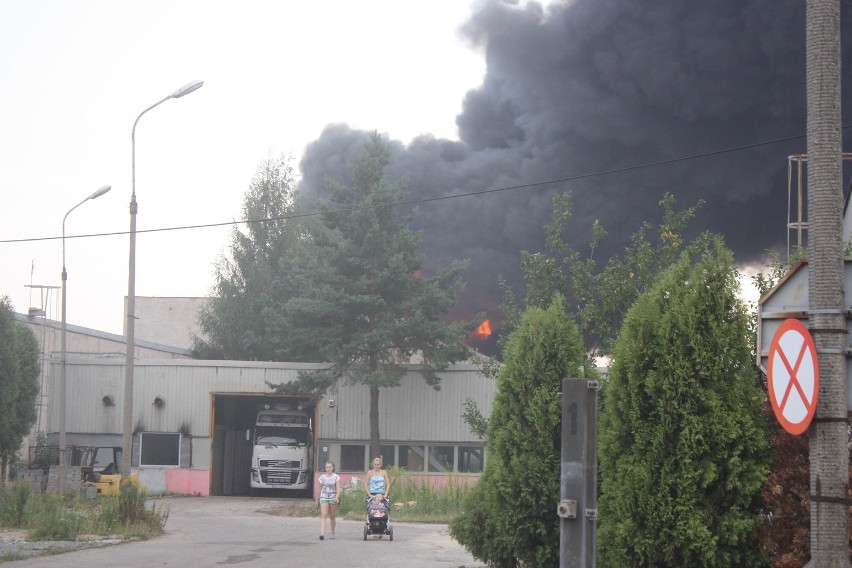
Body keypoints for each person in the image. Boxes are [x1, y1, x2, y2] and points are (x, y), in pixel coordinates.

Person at [316, 461, 341, 540]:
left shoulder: (336, 477)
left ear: (333, 468)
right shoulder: (322, 477)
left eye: (330, 467)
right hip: (324, 497)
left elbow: (338, 489)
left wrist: (337, 497)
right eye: (327, 467)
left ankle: (332, 533)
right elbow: (319, 489)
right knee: (323, 515)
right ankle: (322, 533)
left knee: (332, 516)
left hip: (333, 497)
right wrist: (317, 499)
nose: (328, 469)